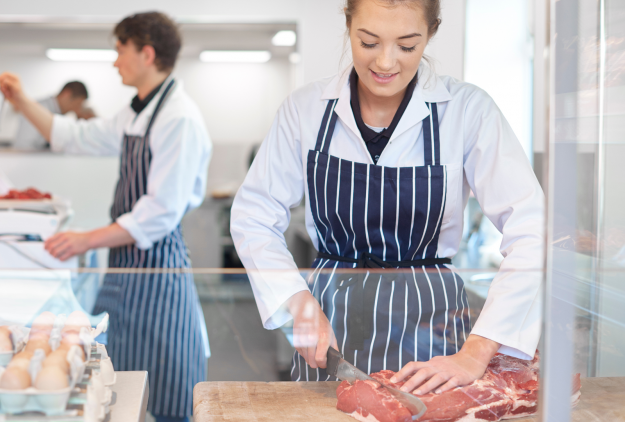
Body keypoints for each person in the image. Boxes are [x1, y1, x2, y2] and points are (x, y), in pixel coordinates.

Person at [230, 0, 543, 396]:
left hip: (432, 329)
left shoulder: (467, 111)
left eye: (407, 46)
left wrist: (477, 351)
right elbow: (254, 215)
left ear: (431, 33)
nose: (385, 62)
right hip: (330, 323)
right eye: (369, 42)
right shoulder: (305, 110)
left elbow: (532, 229)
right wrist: (296, 301)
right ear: (348, 26)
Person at [0, 12, 212, 422]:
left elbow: (159, 213)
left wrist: (85, 239)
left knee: (168, 379)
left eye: (120, 50)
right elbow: (76, 136)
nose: (115, 62)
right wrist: (22, 103)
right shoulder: (137, 112)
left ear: (145, 53)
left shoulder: (178, 118)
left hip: (158, 264)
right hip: (125, 263)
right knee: (121, 376)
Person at [13, 81, 89, 150]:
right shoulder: (38, 109)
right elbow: (23, 146)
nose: (77, 110)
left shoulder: (57, 114)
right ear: (67, 94)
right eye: (78, 104)